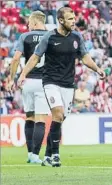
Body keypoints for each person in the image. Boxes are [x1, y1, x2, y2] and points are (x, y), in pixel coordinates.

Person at [17, 7, 106, 167]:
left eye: (74, 18)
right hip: (50, 82)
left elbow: (85, 58)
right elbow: (35, 58)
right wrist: (23, 74)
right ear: (61, 20)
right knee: (57, 113)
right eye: (70, 19)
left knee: (60, 119)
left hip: (68, 84)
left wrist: (97, 69)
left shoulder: (77, 37)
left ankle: (48, 155)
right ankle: (56, 154)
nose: (74, 21)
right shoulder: (49, 37)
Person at [9, 11, 49, 164]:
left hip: (27, 81)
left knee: (29, 117)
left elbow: (16, 58)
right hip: (44, 82)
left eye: (29, 23)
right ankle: (35, 155)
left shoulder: (25, 36)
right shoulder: (52, 36)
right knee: (41, 119)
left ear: (35, 22)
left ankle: (30, 153)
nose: (28, 26)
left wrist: (12, 78)